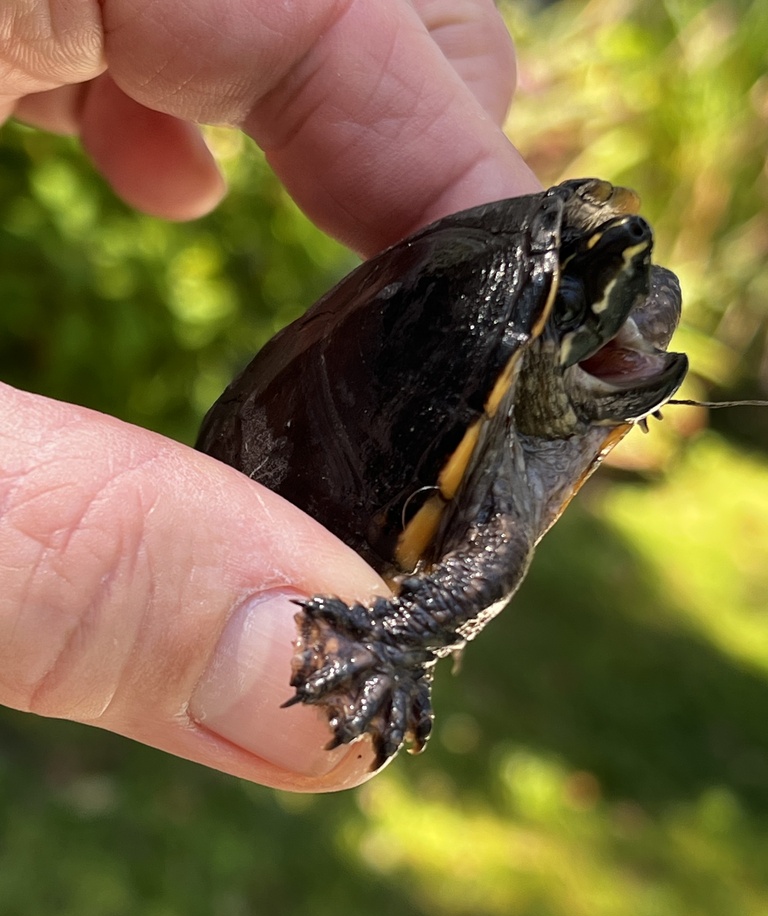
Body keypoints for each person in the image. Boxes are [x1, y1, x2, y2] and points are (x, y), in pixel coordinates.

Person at [1, 0, 540, 791]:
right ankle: (388, 635)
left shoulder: (538, 325)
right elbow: (491, 550)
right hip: (335, 485)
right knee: (489, 555)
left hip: (434, 406)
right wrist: (391, 643)